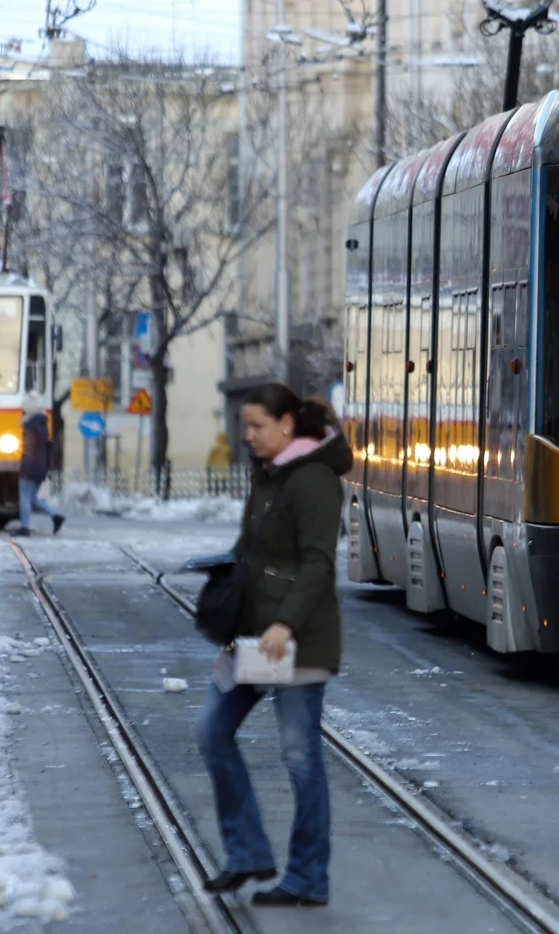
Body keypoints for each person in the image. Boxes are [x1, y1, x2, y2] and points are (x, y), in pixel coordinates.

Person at [195, 384, 351, 908]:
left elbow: (317, 564)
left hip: (296, 641)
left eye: (257, 425)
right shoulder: (269, 476)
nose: (249, 436)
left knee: (300, 756)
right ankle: (247, 854)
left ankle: (308, 878)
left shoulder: (314, 481)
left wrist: (284, 623)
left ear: (288, 424)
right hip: (256, 638)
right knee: (212, 730)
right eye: (246, 426)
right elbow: (254, 553)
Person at [13, 396, 65, 537]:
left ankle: (24, 528)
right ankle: (55, 516)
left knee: (24, 497)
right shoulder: (42, 425)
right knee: (33, 498)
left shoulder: (30, 425)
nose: (22, 412)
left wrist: (24, 469)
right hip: (41, 466)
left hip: (31, 467)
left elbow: (29, 448)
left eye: (24, 409)